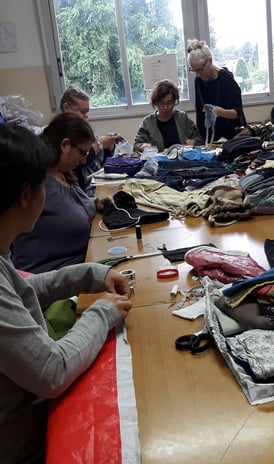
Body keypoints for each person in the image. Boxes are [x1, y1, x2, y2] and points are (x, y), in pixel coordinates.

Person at [0, 122, 132, 463]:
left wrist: (91, 274)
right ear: (26, 194)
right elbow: (52, 371)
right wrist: (101, 313)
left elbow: (23, 289)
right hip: (24, 447)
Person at [11, 112, 106, 273]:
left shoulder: (63, 173)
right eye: (83, 152)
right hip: (52, 278)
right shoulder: (40, 184)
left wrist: (95, 202)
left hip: (77, 269)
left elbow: (67, 208)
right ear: (65, 145)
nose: (84, 160)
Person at [60, 85, 120, 195]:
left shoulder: (82, 131)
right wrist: (97, 147)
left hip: (96, 185)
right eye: (83, 111)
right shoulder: (58, 136)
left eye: (87, 112)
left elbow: (103, 162)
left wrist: (108, 148)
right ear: (66, 108)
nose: (86, 116)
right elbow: (73, 165)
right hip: (81, 192)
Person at [186, 39, 246, 144]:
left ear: (209, 61)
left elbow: (238, 113)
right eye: (193, 71)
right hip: (212, 138)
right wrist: (203, 141)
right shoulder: (198, 80)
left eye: (200, 69)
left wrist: (220, 112)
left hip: (233, 135)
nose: (198, 74)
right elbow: (200, 113)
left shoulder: (226, 79)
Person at [133, 79, 203, 153]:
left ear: (174, 101)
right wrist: (143, 146)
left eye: (169, 103)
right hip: (158, 162)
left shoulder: (182, 118)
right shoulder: (148, 122)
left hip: (182, 159)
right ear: (155, 102)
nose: (165, 107)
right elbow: (136, 145)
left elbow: (199, 139)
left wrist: (193, 142)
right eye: (161, 103)